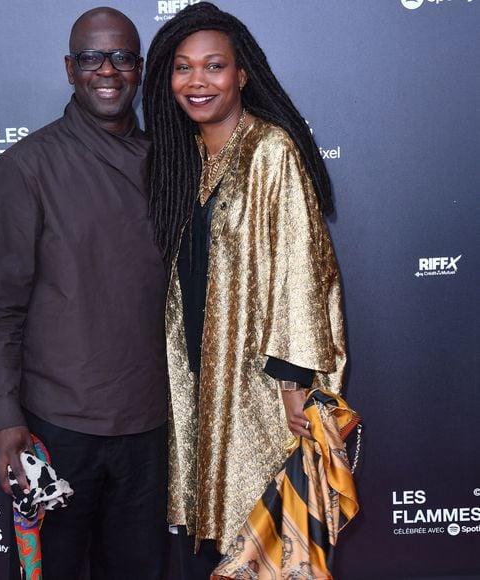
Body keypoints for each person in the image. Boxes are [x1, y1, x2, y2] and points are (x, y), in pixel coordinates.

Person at [143, 2, 347, 577]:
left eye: (214, 66)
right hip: (201, 382)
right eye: (183, 68)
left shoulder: (271, 150)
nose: (197, 81)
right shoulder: (181, 158)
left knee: (271, 545)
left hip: (262, 389)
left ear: (242, 74)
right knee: (224, 549)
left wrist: (294, 385)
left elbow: (301, 271)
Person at [0, 8, 169, 579]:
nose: (107, 70)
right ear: (69, 69)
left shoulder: (169, 164)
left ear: (139, 68)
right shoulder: (26, 167)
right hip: (54, 427)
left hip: (150, 427)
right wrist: (7, 419)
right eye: (91, 58)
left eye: (122, 57)